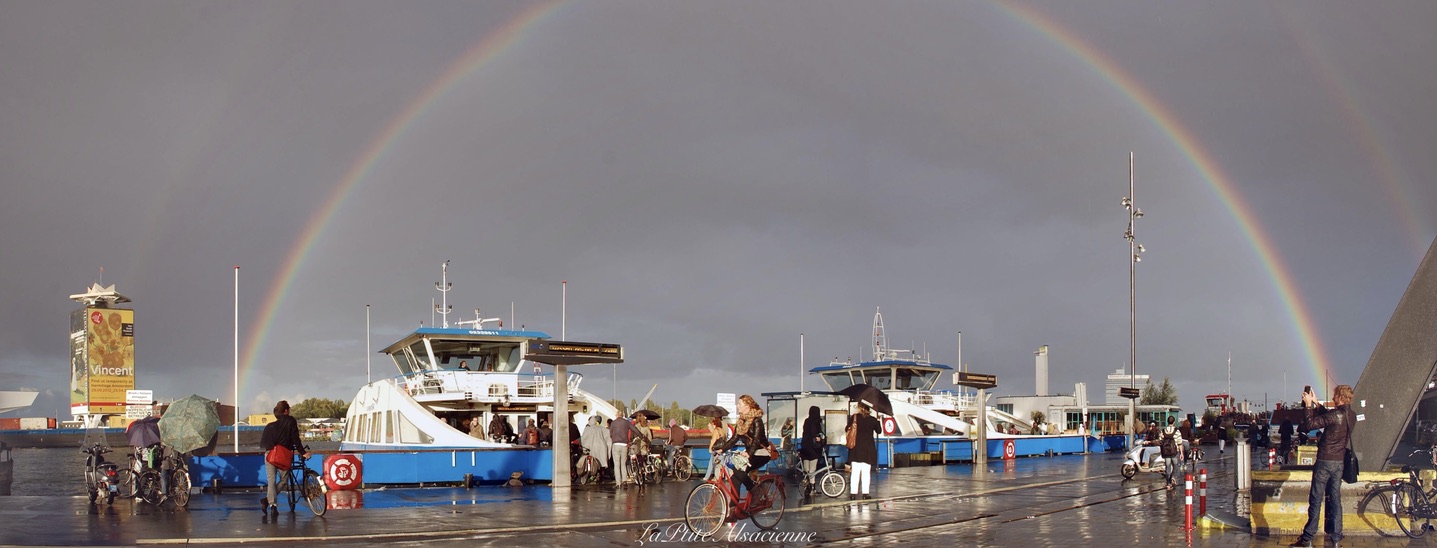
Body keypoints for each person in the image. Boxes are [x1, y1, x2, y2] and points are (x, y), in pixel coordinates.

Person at [1291, 385, 1356, 548]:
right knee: (1335, 499)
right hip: (1339, 463)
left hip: (1324, 461)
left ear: (1341, 397)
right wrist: (1316, 402)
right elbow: (1329, 416)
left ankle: (1307, 539)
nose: (1333, 398)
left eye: (1335, 396)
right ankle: (1336, 539)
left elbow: (1309, 425)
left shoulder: (1335, 415)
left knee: (1316, 498)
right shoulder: (1351, 415)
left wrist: (1307, 406)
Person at [719, 394, 773, 500]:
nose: (737, 406)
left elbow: (757, 440)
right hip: (750, 453)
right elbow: (734, 439)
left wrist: (748, 453)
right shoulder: (741, 421)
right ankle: (734, 509)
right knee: (735, 479)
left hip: (761, 453)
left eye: (739, 404)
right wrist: (722, 449)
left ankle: (755, 491)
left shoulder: (757, 420)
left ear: (747, 406)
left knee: (738, 471)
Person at [259, 400, 307, 517]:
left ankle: (272, 505)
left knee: (271, 481)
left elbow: (263, 444)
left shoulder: (269, 426)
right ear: (286, 411)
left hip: (269, 455)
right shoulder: (290, 421)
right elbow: (295, 438)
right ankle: (266, 500)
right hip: (283, 456)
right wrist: (303, 452)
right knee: (284, 480)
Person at [847, 402, 881, 500]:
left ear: (859, 407)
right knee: (866, 473)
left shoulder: (854, 418)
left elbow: (847, 429)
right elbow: (879, 431)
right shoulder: (872, 420)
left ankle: (853, 494)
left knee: (855, 473)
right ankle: (865, 494)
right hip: (868, 449)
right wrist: (878, 420)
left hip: (856, 449)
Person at [609, 414, 646, 486]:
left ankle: (618, 483)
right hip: (624, 445)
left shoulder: (613, 423)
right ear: (622, 415)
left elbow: (610, 434)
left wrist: (614, 438)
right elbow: (635, 429)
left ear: (616, 415)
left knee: (617, 465)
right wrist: (641, 436)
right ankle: (624, 481)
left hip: (616, 444)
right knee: (623, 464)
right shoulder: (626, 422)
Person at [798, 406, 825, 496]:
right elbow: (817, 433)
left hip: (805, 446)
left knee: (807, 469)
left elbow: (805, 432)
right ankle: (812, 488)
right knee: (813, 469)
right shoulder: (817, 421)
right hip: (813, 448)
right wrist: (819, 438)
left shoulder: (806, 421)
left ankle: (807, 487)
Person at [580, 415, 611, 482]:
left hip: (593, 447)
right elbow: (608, 437)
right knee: (602, 462)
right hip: (602, 447)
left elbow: (584, 439)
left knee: (594, 462)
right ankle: (601, 476)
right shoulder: (602, 428)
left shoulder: (589, 429)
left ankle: (594, 475)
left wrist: (585, 449)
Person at [702, 416, 729, 481]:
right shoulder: (722, 430)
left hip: (716, 450)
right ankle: (728, 476)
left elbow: (713, 440)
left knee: (711, 463)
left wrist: (710, 448)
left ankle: (706, 477)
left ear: (715, 424)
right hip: (722, 449)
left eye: (713, 424)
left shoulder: (716, 430)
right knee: (722, 464)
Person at [1160, 417, 1181, 488]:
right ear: (1174, 422)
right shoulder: (1176, 431)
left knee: (1168, 467)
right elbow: (1179, 442)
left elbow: (1161, 441)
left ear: (1167, 422)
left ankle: (1168, 482)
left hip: (1166, 452)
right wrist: (1182, 453)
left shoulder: (1163, 431)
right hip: (1174, 452)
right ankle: (1173, 477)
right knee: (1176, 465)